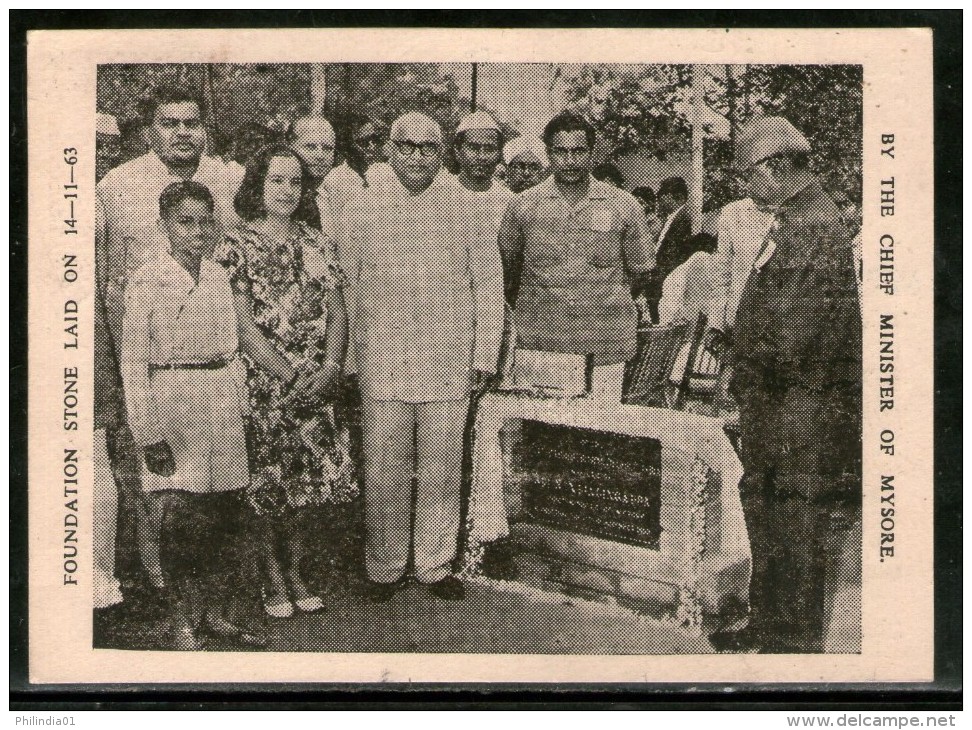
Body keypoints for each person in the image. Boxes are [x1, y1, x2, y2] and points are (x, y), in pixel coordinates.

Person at [96, 84, 245, 601]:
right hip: (149, 360)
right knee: (158, 490)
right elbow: (108, 280)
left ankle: (208, 602)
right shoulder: (118, 185)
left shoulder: (225, 180)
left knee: (215, 500)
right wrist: (125, 377)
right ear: (150, 130)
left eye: (192, 123)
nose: (183, 133)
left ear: (204, 128)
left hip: (215, 370)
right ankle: (162, 592)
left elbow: (229, 264)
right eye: (170, 123)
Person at [348, 112, 504, 602]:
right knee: (384, 466)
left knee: (442, 465)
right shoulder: (363, 205)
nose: (417, 156)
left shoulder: (467, 206)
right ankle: (384, 565)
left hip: (448, 358)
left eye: (428, 147)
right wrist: (352, 359)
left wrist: (483, 357)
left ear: (443, 154)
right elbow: (349, 287)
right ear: (390, 150)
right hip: (382, 359)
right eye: (407, 146)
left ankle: (435, 565)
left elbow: (489, 287)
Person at [723, 116, 862, 653]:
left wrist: (742, 366)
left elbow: (793, 336)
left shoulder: (811, 226)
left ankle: (791, 646)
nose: (745, 187)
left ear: (776, 168)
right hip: (781, 402)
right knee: (769, 512)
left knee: (794, 524)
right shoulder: (799, 219)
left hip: (797, 406)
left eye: (748, 175)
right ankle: (767, 625)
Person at [119, 181, 271, 650]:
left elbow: (233, 342)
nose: (199, 232)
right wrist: (148, 432)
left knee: (224, 515)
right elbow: (133, 361)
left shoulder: (219, 274)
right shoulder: (147, 279)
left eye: (206, 221)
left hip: (220, 399)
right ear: (165, 225)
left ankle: (215, 615)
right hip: (172, 398)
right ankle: (182, 621)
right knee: (181, 520)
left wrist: (239, 399)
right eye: (187, 222)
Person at [217, 143, 354, 619]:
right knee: (269, 485)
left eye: (295, 181)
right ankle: (271, 577)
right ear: (257, 185)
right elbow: (240, 322)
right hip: (265, 384)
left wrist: (330, 368)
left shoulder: (317, 241)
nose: (287, 190)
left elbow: (337, 310)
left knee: (308, 486)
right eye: (276, 180)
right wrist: (288, 371)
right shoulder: (234, 244)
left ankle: (297, 571)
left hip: (317, 382)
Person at [498, 111, 653, 398]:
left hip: (605, 344)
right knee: (541, 436)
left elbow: (641, 273)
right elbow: (507, 270)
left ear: (591, 152)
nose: (570, 161)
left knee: (601, 433)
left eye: (578, 151)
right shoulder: (522, 206)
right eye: (561, 151)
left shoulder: (624, 205)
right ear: (548, 153)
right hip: (541, 342)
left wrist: (599, 302)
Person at [643, 177, 712, 324]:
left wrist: (655, 279)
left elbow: (677, 255)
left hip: (666, 283)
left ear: (678, 197)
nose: (659, 200)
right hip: (660, 284)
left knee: (662, 327)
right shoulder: (674, 218)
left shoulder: (685, 219)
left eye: (662, 195)